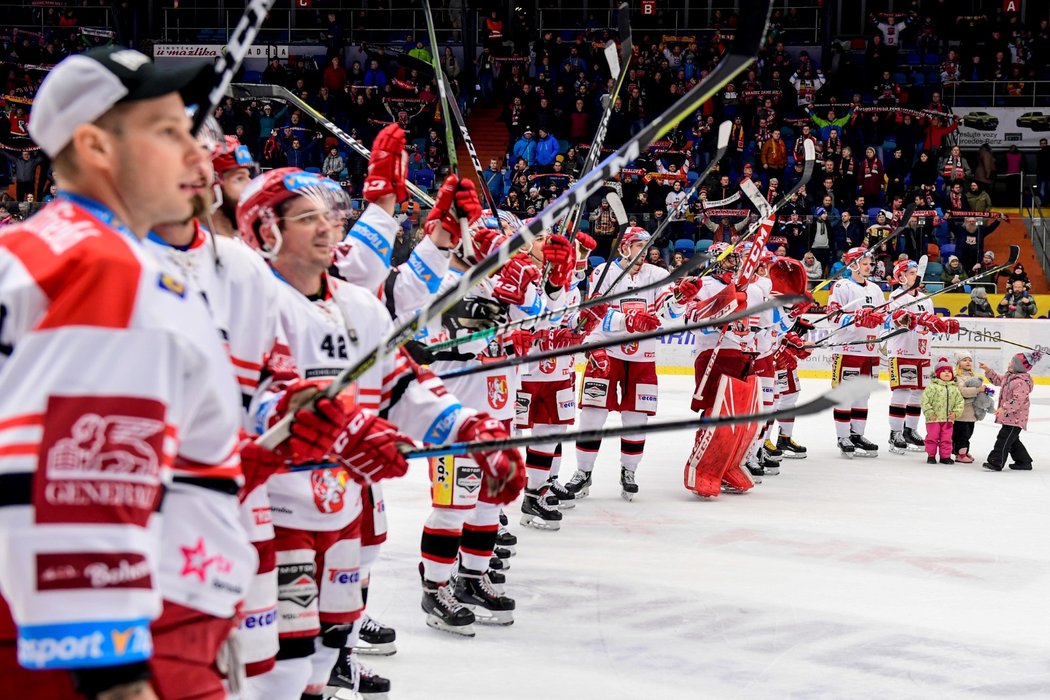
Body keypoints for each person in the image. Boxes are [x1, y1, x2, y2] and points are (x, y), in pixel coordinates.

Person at [0, 45, 250, 700]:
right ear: (97, 148)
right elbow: (78, 473)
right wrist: (118, 676)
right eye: (168, 132)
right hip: (116, 639)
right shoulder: (118, 270)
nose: (196, 154)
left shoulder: (36, 246)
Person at [568, 227, 699, 500]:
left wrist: (680, 298)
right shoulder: (603, 273)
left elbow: (668, 313)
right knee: (592, 414)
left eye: (647, 246)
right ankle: (583, 472)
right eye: (638, 246)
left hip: (642, 356)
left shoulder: (658, 275)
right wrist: (625, 322)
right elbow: (592, 314)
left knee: (636, 418)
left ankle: (629, 471)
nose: (644, 253)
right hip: (605, 349)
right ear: (624, 246)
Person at [884, 260, 959, 454]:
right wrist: (920, 320)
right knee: (902, 391)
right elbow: (898, 321)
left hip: (922, 350)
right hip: (902, 350)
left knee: (919, 392)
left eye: (916, 272)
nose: (915, 276)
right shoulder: (896, 297)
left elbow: (930, 326)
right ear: (900, 277)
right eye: (910, 273)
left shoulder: (927, 299)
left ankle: (910, 430)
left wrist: (941, 326)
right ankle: (895, 432)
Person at [827, 247, 887, 457]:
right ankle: (843, 436)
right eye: (865, 263)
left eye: (870, 263)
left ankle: (857, 434)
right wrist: (856, 318)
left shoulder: (876, 289)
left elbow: (884, 316)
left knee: (863, 395)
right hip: (848, 348)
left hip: (870, 351)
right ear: (852, 265)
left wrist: (900, 320)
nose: (869, 267)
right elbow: (832, 316)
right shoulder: (841, 286)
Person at [980, 352, 1040, 471]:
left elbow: (1018, 400)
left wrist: (1004, 408)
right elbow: (997, 380)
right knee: (1012, 440)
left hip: (1016, 417)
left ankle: (996, 462)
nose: (1009, 363)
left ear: (1018, 366)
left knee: (1003, 438)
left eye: (1012, 362)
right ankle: (1024, 461)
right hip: (1010, 416)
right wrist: (987, 370)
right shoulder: (1009, 377)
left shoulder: (1020, 382)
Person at [921, 358, 965, 465]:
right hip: (934, 419)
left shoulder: (954, 388)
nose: (947, 373)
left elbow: (960, 402)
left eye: (949, 371)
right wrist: (929, 413)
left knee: (947, 439)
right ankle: (931, 455)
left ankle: (945, 456)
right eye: (944, 371)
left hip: (948, 420)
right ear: (937, 374)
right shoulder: (932, 387)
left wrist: (955, 413)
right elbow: (924, 401)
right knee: (932, 437)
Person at [953, 351, 984, 463]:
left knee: (968, 433)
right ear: (958, 363)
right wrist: (977, 390)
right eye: (965, 360)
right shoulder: (957, 377)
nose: (968, 362)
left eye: (970, 360)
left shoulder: (972, 376)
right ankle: (960, 453)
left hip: (971, 412)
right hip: (962, 412)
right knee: (962, 434)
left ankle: (963, 451)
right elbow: (962, 391)